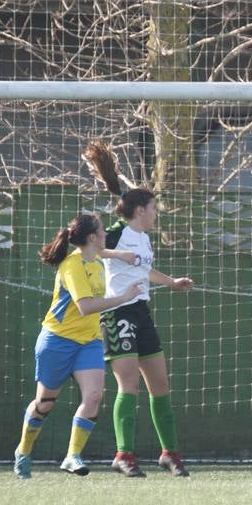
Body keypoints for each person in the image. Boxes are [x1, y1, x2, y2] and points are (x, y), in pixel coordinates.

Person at [83, 142, 196, 478]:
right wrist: (119, 256)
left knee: (160, 386)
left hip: (142, 313)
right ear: (141, 210)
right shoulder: (117, 233)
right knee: (127, 385)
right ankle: (124, 454)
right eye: (154, 207)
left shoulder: (144, 239)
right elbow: (91, 251)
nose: (156, 212)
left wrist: (171, 281)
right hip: (117, 315)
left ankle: (169, 454)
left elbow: (143, 271)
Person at [13, 213, 141, 479]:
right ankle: (23, 451)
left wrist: (120, 255)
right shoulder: (72, 266)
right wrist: (123, 298)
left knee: (94, 396)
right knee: (45, 403)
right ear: (92, 237)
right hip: (57, 340)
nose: (106, 233)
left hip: (90, 342)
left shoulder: (94, 260)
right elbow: (85, 307)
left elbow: (100, 253)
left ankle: (72, 456)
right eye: (102, 230)